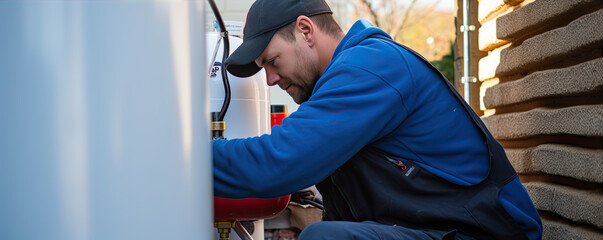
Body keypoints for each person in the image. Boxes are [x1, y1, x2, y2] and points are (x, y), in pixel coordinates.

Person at [213, 0, 543, 239]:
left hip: (485, 233)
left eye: (272, 61)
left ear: (305, 30)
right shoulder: (343, 82)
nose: (270, 79)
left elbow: (278, 161)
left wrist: (182, 156)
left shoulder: (370, 68)